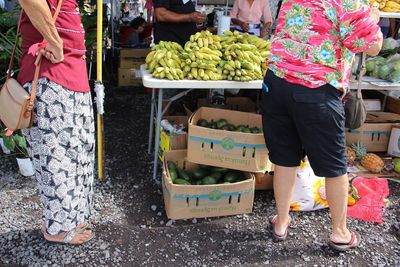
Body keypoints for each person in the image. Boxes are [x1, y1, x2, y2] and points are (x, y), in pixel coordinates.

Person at [262, 0, 382, 251]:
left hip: (276, 83)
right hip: (316, 88)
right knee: (334, 165)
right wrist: (373, 19)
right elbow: (372, 47)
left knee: (284, 158)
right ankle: (339, 232)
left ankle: (282, 222)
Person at [17, 0, 96, 245]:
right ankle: (57, 228)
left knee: (74, 151)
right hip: (51, 70)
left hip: (67, 71)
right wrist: (54, 41)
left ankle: (68, 219)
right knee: (56, 156)